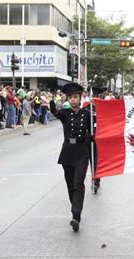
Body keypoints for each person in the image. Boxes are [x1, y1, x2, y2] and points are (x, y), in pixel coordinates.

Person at [49, 83, 91, 232]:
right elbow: (54, 111)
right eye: (70, 97)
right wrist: (53, 103)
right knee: (70, 184)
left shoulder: (87, 114)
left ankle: (76, 215)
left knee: (78, 183)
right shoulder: (64, 113)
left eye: (75, 97)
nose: (73, 100)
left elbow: (94, 131)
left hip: (82, 151)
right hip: (68, 151)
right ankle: (75, 207)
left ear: (80, 98)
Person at [83, 87, 107, 193]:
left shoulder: (104, 108)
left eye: (98, 96)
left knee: (96, 161)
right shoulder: (86, 109)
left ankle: (95, 181)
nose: (95, 98)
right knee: (85, 161)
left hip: (100, 138)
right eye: (93, 97)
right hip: (88, 137)